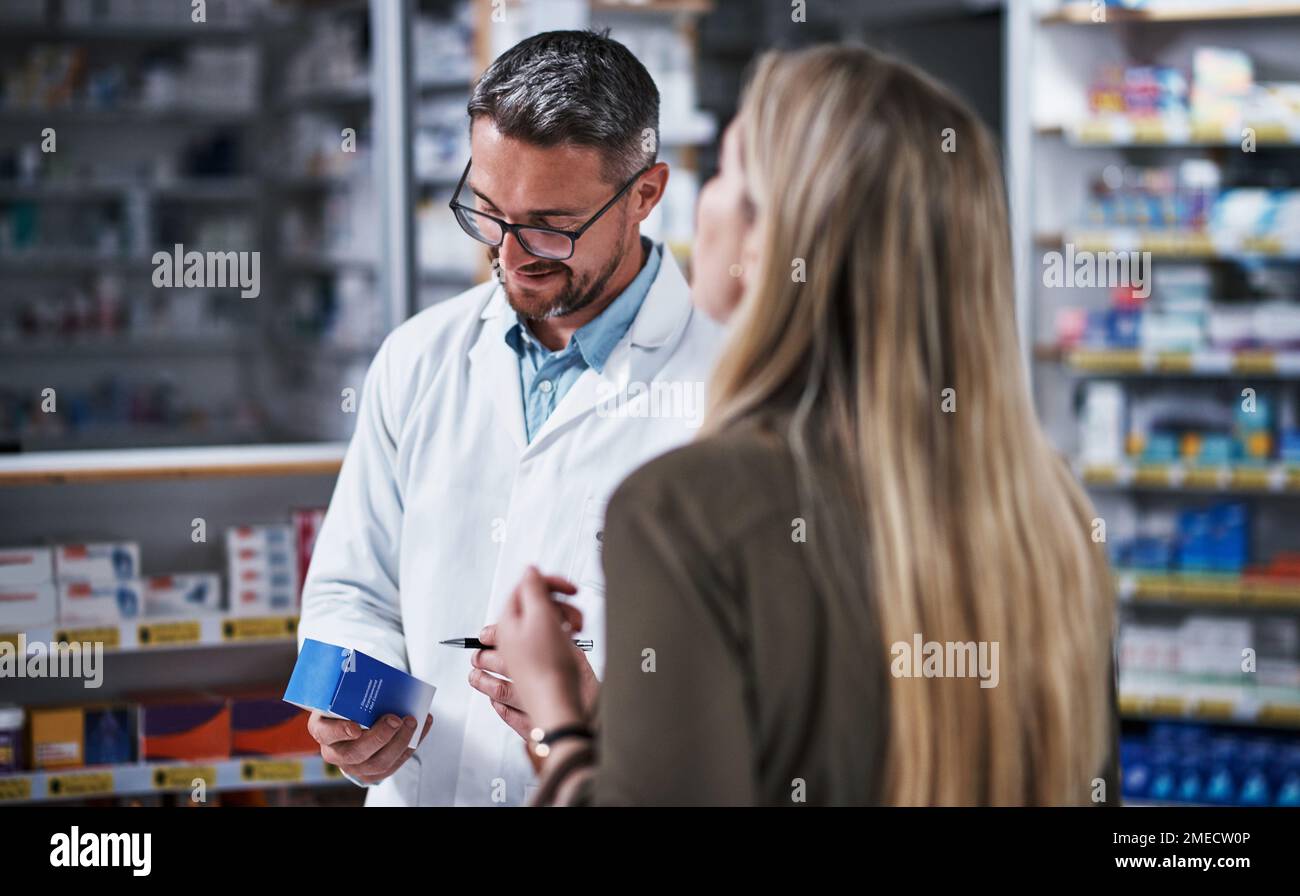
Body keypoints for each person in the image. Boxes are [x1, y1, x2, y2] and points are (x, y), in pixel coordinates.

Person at [492, 44, 1120, 806]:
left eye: (725, 173)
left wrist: (557, 719)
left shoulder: (686, 510)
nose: (705, 204)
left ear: (774, 239)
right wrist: (624, 718)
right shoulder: (1047, 512)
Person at [297, 30, 723, 806]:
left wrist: (599, 716)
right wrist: (352, 702)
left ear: (646, 194)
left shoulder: (729, 394)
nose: (509, 253)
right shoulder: (417, 357)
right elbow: (351, 588)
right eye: (487, 212)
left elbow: (767, 698)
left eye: (550, 224)